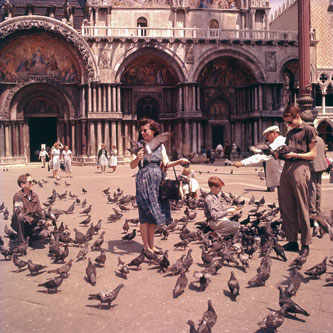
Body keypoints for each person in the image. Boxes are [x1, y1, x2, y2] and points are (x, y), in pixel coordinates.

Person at [130, 118, 189, 254]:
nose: (143, 132)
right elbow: (132, 165)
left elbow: (166, 164)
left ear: (154, 131)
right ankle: (146, 247)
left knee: (153, 215)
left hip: (157, 183)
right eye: (141, 130)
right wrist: (138, 158)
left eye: (145, 130)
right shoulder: (139, 145)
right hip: (143, 182)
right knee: (145, 215)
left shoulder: (160, 146)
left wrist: (179, 161)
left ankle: (152, 245)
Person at [279, 106, 317, 257]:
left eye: (290, 121)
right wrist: (279, 154)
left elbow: (313, 154)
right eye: (287, 123)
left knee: (302, 205)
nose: (288, 125)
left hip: (300, 166)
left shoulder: (308, 130)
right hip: (287, 167)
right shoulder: (289, 133)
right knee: (286, 206)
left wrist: (296, 154)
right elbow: (287, 151)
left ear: (297, 116)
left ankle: (306, 243)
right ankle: (292, 240)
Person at [233, 126, 285, 193]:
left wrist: (242, 163)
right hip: (279, 179)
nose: (266, 139)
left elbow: (261, 156)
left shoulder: (278, 143)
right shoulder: (278, 142)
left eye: (267, 136)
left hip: (282, 179)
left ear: (273, 133)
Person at [10, 173, 48, 245]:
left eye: (33, 181)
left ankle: (27, 238)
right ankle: (22, 242)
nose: (33, 183)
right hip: (22, 224)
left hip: (32, 225)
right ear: (22, 185)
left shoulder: (35, 195)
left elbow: (39, 211)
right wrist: (32, 220)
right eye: (30, 182)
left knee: (44, 234)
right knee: (20, 216)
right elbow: (18, 213)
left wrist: (45, 219)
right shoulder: (18, 196)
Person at [308, 135, 327, 217]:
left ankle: (312, 208)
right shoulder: (320, 139)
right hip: (321, 165)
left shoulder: (309, 140)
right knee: (318, 187)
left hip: (313, 166)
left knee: (312, 187)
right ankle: (318, 207)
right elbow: (324, 152)